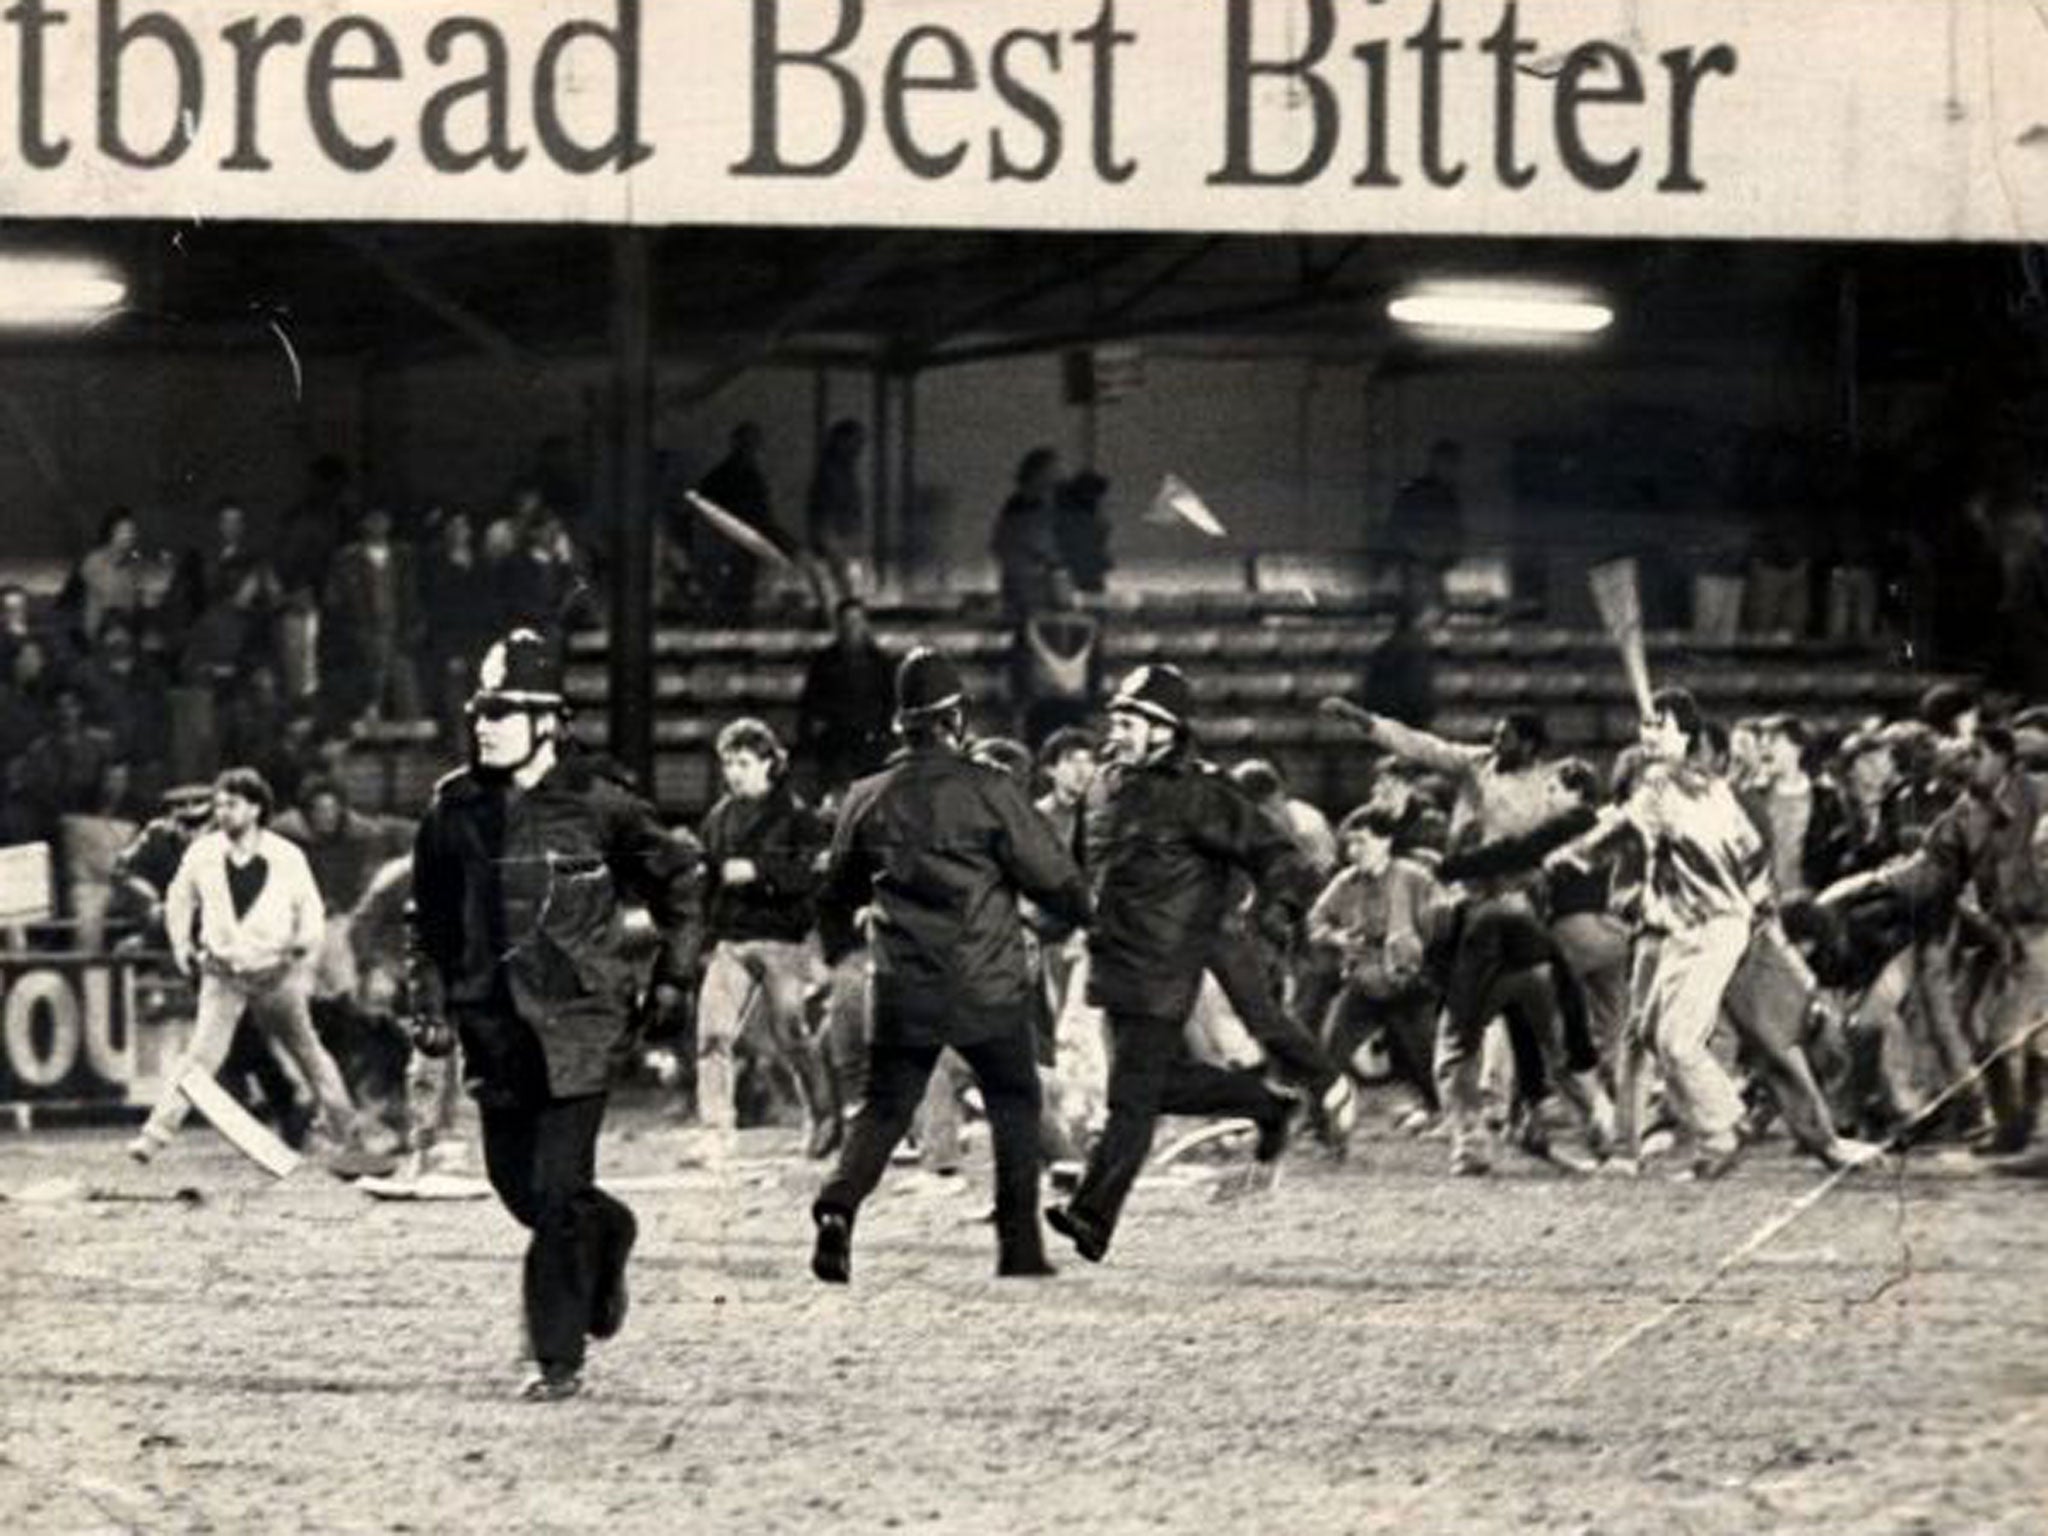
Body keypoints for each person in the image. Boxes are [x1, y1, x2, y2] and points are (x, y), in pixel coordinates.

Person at [407, 628, 697, 1401]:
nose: (484, 724)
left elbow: (682, 885)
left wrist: (673, 979)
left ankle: (556, 1357)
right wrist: (429, 1000)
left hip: (579, 1025)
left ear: (549, 722)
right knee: (519, 1189)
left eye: (503, 710)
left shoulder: (601, 804)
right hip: (495, 1031)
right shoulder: (452, 809)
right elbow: (428, 920)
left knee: (560, 1192)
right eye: (480, 711)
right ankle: (613, 1231)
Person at [809, 647, 1091, 1285]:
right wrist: (1079, 914)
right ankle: (1019, 1249)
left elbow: (834, 896)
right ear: (958, 718)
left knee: (883, 1109)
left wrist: (849, 955)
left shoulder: (864, 796)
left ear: (902, 722)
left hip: (903, 984)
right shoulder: (990, 789)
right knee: (1014, 1103)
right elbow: (1053, 878)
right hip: (985, 981)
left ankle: (838, 1205)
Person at [1044, 665, 1312, 1266]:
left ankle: (1091, 1217)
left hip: (1164, 965)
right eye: (1117, 718)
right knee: (1150, 1087)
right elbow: (1083, 866)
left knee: (1130, 1103)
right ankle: (1266, 1101)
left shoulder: (1204, 793)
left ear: (1166, 730)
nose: (1118, 730)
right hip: (1114, 959)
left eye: (1131, 720)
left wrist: (1280, 906)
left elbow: (1277, 854)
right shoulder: (1104, 786)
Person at [126, 768, 365, 1166]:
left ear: (255, 808)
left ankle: (347, 1131)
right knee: (199, 1058)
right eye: (218, 805)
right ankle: (154, 1136)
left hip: (276, 972)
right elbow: (179, 899)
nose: (222, 813)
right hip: (223, 973)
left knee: (309, 1054)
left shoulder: (287, 856)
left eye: (232, 804)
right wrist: (182, 945)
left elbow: (310, 909)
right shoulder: (202, 853)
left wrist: (299, 952)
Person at [692, 717, 836, 1160]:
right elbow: (708, 883)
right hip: (732, 942)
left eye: (744, 762)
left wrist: (763, 874)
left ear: (770, 764)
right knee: (712, 1034)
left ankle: (825, 1116)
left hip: (783, 941)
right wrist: (706, 937)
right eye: (729, 763)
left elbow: (815, 879)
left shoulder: (798, 818)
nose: (734, 771)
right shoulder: (718, 819)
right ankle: (717, 1129)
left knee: (791, 1035)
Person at [795, 598, 897, 799]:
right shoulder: (824, 662)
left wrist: (883, 732)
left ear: (865, 624)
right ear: (839, 626)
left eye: (857, 621)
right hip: (836, 740)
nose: (852, 628)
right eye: (847, 622)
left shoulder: (881, 663)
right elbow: (810, 704)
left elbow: (891, 703)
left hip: (871, 741)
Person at [805, 418, 868, 607]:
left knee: (841, 592)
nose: (859, 448)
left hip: (839, 541)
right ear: (841, 441)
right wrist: (833, 544)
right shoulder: (831, 473)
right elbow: (824, 513)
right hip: (836, 542)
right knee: (843, 592)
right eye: (856, 441)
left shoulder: (838, 471)